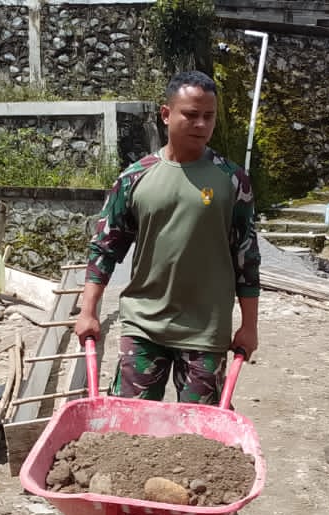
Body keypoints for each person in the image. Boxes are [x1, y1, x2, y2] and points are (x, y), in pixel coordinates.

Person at [73, 70, 260, 405]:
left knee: (200, 436)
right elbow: (105, 247)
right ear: (166, 114)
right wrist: (88, 311)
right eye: (190, 114)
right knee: (130, 423)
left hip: (205, 331)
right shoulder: (135, 178)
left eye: (208, 116)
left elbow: (246, 257)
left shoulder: (232, 181)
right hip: (143, 326)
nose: (201, 124)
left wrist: (249, 325)